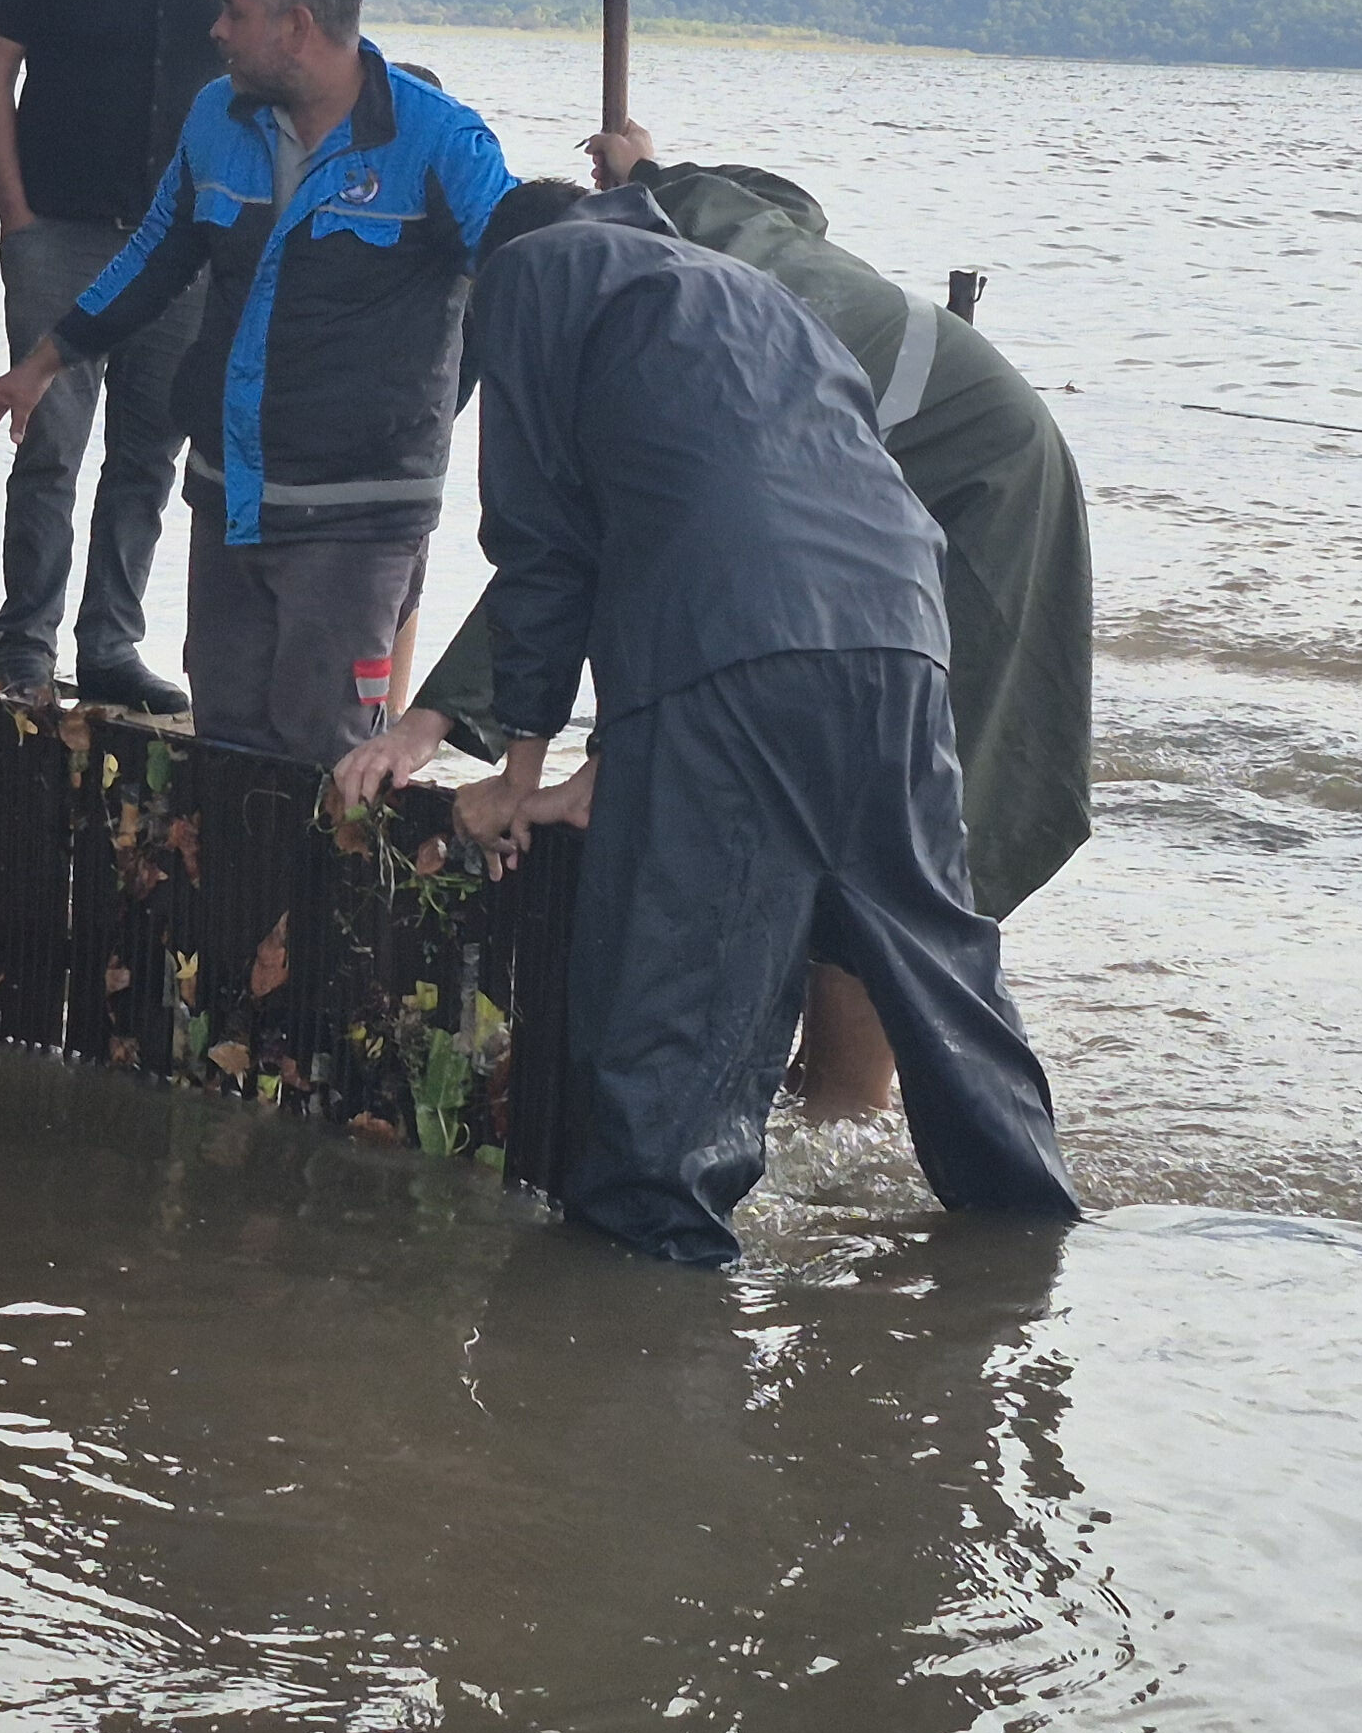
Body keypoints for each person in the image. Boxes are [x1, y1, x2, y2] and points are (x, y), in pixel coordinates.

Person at [337, 119, 1095, 1120]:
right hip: (865, 505)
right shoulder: (686, 217)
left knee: (884, 838)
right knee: (807, 798)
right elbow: (793, 201)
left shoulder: (621, 308)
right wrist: (648, 166)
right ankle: (855, 1117)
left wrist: (447, 728)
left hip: (968, 493)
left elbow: (566, 547)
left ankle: (842, 1118)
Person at [446, 186, 1079, 1260]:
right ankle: (1023, 1232)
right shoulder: (749, 290)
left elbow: (543, 544)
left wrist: (516, 771)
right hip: (901, 628)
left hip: (735, 633)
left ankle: (650, 1270)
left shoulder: (529, 272)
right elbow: (723, 484)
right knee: (931, 953)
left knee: (683, 989)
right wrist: (609, 759)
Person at [0, 0, 512, 764]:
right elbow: (154, 256)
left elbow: (526, 276)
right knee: (224, 749)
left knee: (328, 758)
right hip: (230, 497)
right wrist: (42, 363)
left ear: (297, 26)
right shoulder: (216, 115)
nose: (216, 30)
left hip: (359, 515)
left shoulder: (440, 141)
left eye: (234, 12)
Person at [0, 0, 253, 712]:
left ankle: (110, 647)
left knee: (146, 458)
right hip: (60, 232)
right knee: (47, 444)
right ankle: (26, 648)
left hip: (185, 254)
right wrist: (16, 220)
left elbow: (264, 102)